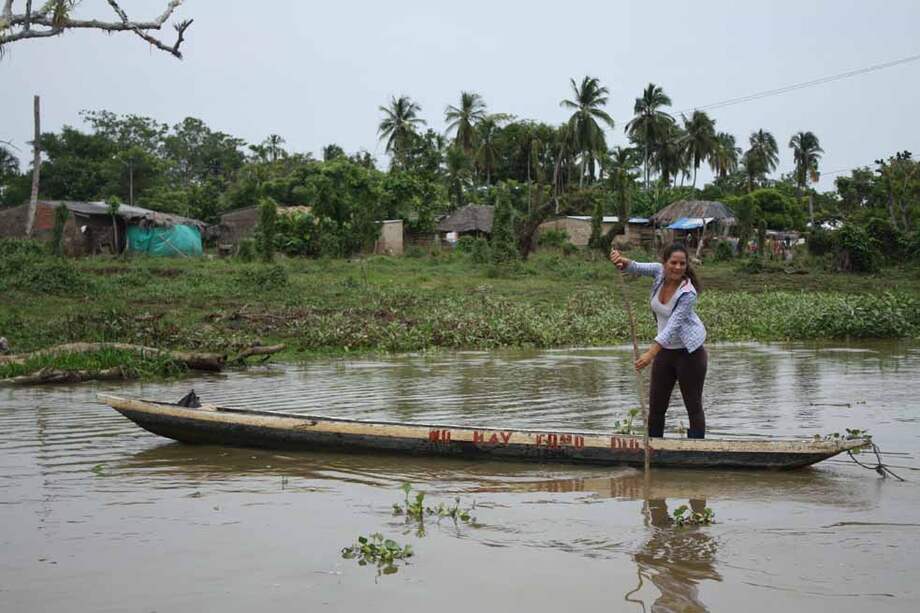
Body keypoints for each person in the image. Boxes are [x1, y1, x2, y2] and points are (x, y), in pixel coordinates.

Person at [610, 243, 708, 439]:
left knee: (693, 406)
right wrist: (621, 260)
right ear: (665, 263)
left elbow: (673, 326)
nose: (678, 267)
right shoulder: (658, 272)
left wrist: (649, 354)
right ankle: (654, 447)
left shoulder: (688, 293)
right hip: (666, 352)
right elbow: (635, 266)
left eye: (682, 263)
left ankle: (696, 450)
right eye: (673, 263)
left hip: (690, 353)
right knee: (656, 407)